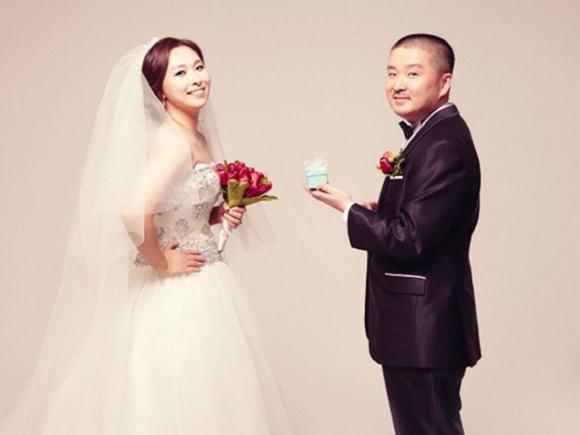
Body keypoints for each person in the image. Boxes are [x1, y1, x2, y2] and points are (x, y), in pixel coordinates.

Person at [0, 37, 292, 434]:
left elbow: (175, 206)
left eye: (198, 66)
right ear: (160, 91)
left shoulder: (195, 136)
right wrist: (163, 262)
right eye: (180, 72)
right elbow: (133, 211)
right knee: (182, 394)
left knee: (205, 394)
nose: (196, 78)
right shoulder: (173, 141)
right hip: (180, 291)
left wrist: (215, 213)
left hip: (204, 277)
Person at [306, 33, 481, 434]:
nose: (398, 84)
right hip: (418, 326)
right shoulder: (431, 134)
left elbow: (410, 238)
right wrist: (383, 211)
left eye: (413, 73)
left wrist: (347, 209)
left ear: (444, 82)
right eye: (391, 73)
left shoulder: (442, 144)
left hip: (425, 326)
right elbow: (422, 222)